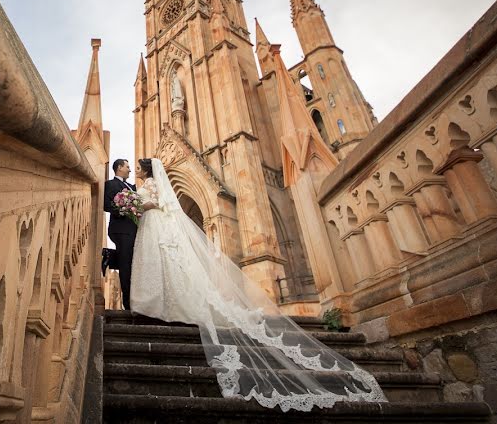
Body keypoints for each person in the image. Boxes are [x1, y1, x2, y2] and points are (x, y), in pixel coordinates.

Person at [129, 157, 387, 412]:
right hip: (155, 226)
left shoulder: (152, 184)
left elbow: (157, 201)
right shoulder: (152, 183)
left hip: (157, 222)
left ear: (147, 169)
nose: (135, 169)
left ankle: (172, 303)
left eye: (138, 167)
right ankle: (164, 301)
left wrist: (136, 205)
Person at [103, 158, 136, 310]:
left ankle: (110, 256)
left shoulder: (132, 186)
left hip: (134, 229)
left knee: (131, 261)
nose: (130, 170)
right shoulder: (110, 185)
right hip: (120, 229)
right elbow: (107, 205)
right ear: (119, 168)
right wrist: (124, 209)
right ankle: (128, 303)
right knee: (126, 264)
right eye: (127, 167)